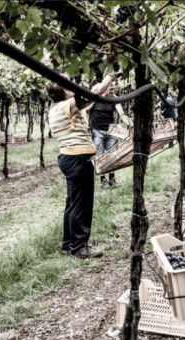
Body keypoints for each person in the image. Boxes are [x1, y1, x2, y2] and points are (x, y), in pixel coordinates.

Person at [45, 73, 117, 259]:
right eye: (70, 85)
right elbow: (94, 93)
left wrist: (102, 92)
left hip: (70, 158)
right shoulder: (65, 105)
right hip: (78, 159)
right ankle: (80, 247)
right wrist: (110, 75)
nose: (74, 86)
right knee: (82, 205)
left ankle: (69, 244)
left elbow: (90, 102)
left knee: (73, 203)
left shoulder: (57, 107)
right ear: (64, 91)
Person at [88, 81, 133, 188]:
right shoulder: (95, 98)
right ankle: (103, 180)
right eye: (111, 89)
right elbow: (85, 110)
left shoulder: (114, 99)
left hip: (111, 131)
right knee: (99, 156)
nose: (113, 91)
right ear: (104, 88)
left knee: (113, 155)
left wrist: (129, 124)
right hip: (97, 131)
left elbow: (121, 114)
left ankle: (112, 178)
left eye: (114, 89)